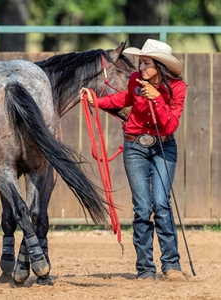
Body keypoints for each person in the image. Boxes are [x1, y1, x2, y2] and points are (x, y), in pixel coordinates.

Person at [79, 39, 187, 282]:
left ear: (159, 65)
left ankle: (171, 265)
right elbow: (123, 100)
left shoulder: (177, 88)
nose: (141, 67)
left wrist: (156, 98)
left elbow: (171, 124)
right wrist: (98, 101)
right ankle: (145, 268)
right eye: (141, 62)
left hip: (164, 146)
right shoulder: (134, 81)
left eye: (146, 63)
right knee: (141, 207)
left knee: (161, 204)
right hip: (134, 146)